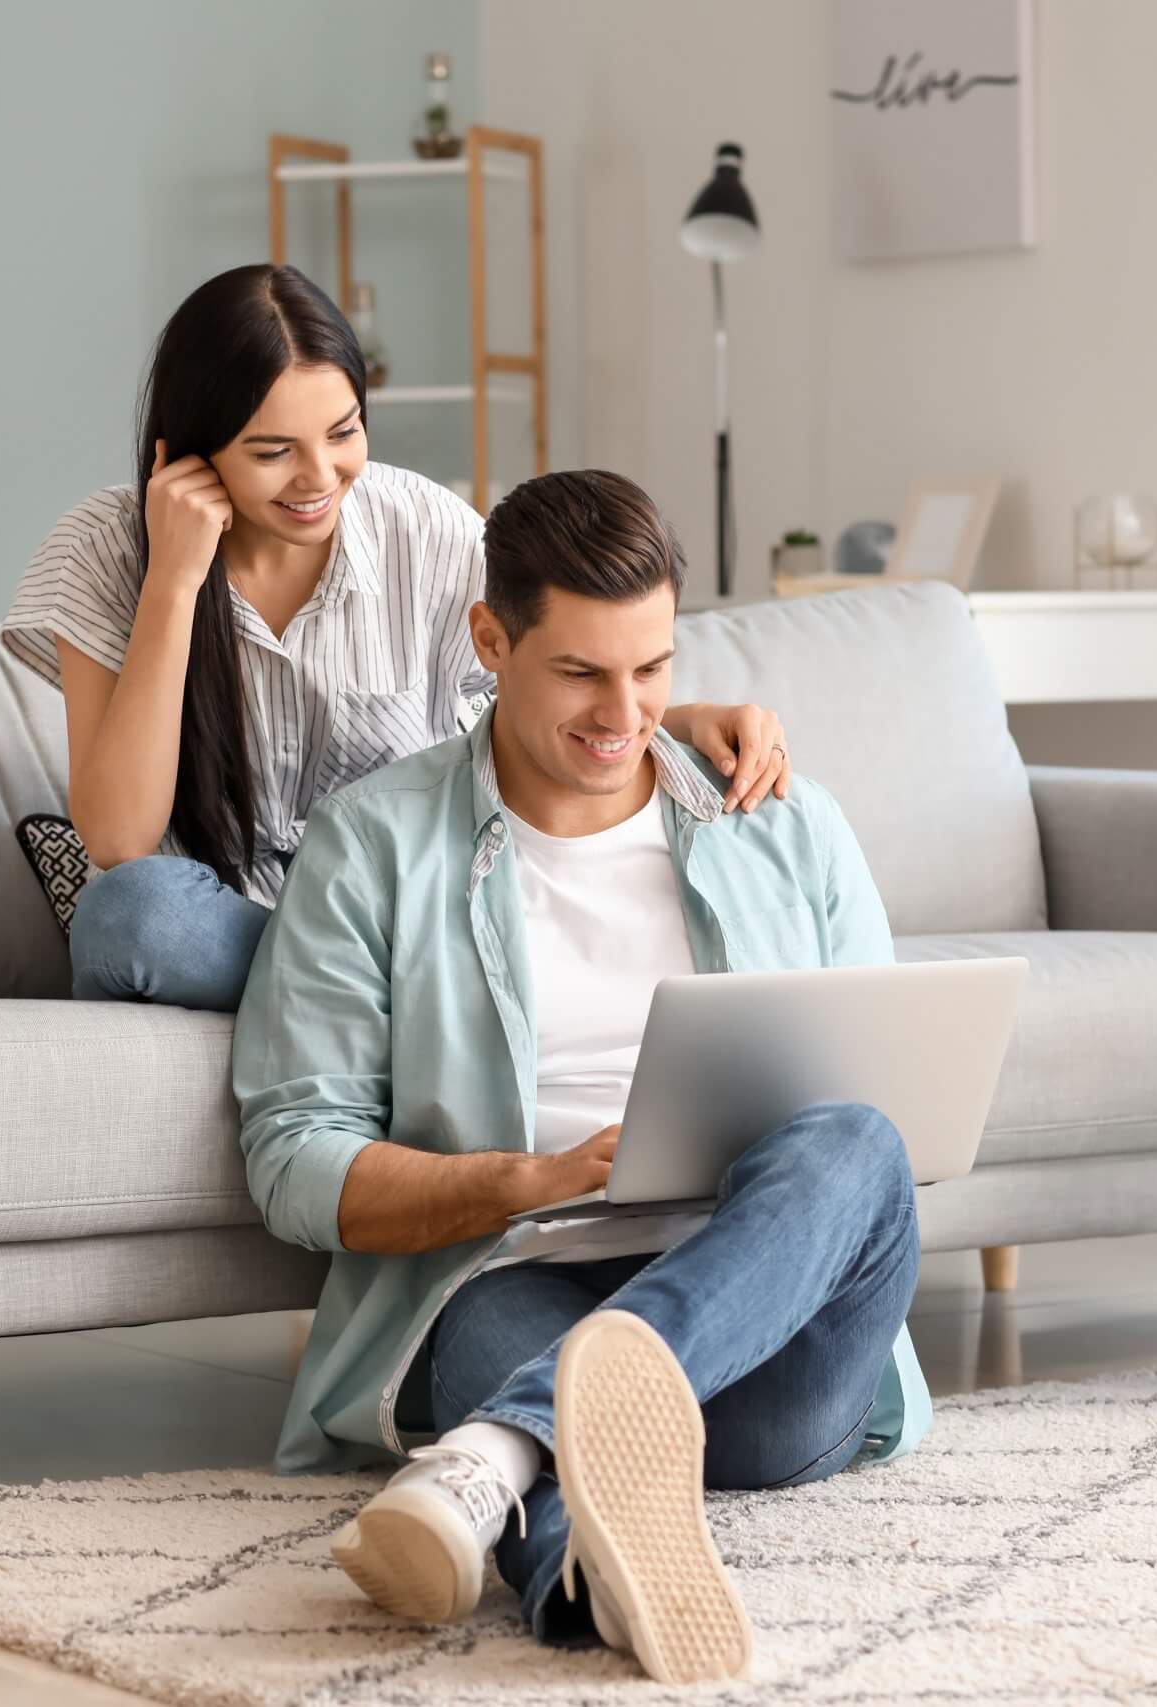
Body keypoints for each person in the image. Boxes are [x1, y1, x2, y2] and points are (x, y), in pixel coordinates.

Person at [229, 469, 928, 1682]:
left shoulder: (773, 818)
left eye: (652, 669)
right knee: (542, 1365)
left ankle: (497, 1459)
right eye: (582, 674)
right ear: (490, 640)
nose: (627, 712)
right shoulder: (373, 846)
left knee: (858, 1143)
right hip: (514, 1275)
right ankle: (590, 1571)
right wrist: (524, 1179)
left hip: (770, 1326)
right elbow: (295, 1158)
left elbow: (888, 1109)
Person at [2, 263, 795, 1010]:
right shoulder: (106, 546)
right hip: (245, 931)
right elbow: (117, 836)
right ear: (192, 453)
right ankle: (388, 1001)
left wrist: (680, 722)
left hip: (396, 910)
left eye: (343, 432)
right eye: (274, 451)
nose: (320, 477)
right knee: (136, 915)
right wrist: (174, 580)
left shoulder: (427, 530)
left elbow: (534, 696)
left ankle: (358, 997)